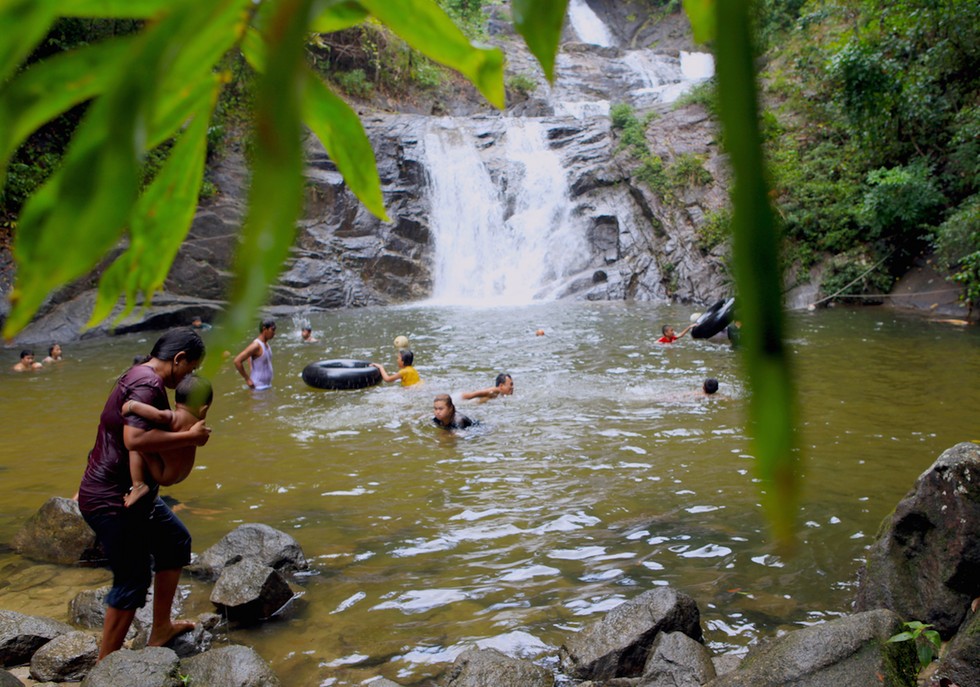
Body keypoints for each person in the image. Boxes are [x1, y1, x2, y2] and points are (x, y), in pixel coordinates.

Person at [76, 328, 212, 661]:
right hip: (113, 498)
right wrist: (189, 439)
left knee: (175, 542)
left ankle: (160, 628)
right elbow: (134, 440)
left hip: (122, 491)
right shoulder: (148, 385)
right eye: (190, 369)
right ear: (178, 359)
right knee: (133, 579)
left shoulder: (136, 374)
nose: (188, 377)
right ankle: (105, 666)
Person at [122, 375, 213, 508]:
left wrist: (131, 406)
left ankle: (138, 485)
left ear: (176, 403)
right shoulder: (198, 426)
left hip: (163, 475)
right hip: (182, 474)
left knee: (136, 445)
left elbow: (157, 415)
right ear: (203, 409)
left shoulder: (173, 417)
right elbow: (201, 441)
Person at [234, 319, 275, 390]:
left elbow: (249, 356)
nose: (274, 333)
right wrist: (247, 379)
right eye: (272, 330)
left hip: (267, 385)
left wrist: (252, 369)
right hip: (258, 387)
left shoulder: (266, 344)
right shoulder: (256, 345)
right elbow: (237, 361)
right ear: (264, 329)